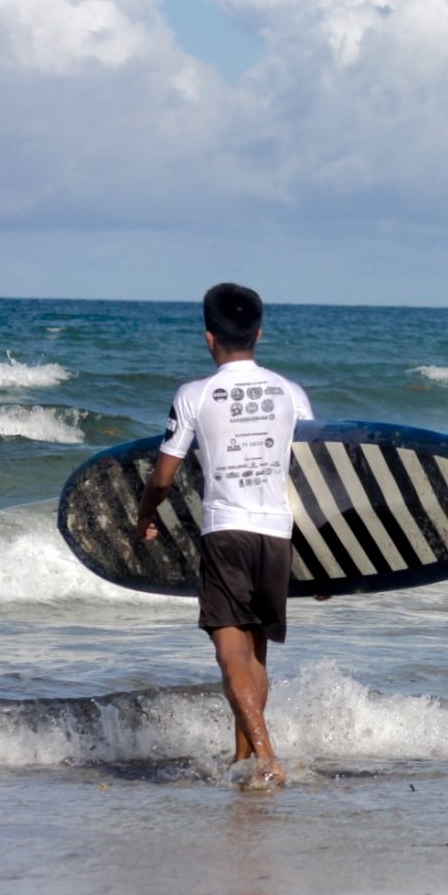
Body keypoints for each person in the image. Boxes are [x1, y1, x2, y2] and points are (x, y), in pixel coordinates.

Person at [135, 283, 313, 787]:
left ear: (209, 339)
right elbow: (313, 478)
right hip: (277, 537)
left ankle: (266, 756)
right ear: (258, 333)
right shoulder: (290, 393)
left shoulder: (195, 395)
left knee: (230, 653)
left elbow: (165, 475)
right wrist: (324, 561)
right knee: (256, 655)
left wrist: (145, 514)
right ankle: (244, 761)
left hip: (226, 533)